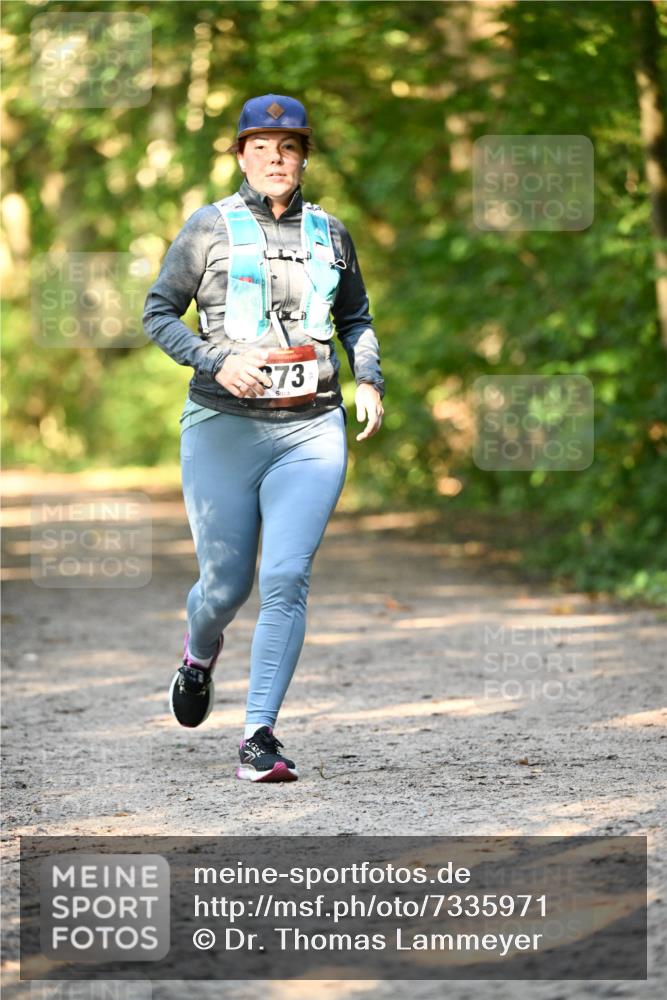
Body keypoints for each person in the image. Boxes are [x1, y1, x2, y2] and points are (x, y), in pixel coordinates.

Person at [142, 93, 384, 782]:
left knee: (285, 576)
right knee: (224, 586)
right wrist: (217, 358)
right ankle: (198, 651)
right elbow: (158, 314)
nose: (276, 159)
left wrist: (369, 381)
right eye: (261, 147)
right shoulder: (207, 228)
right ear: (241, 155)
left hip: (312, 428)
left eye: (289, 148)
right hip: (222, 426)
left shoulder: (331, 232)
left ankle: (258, 735)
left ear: (304, 156)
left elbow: (356, 318)